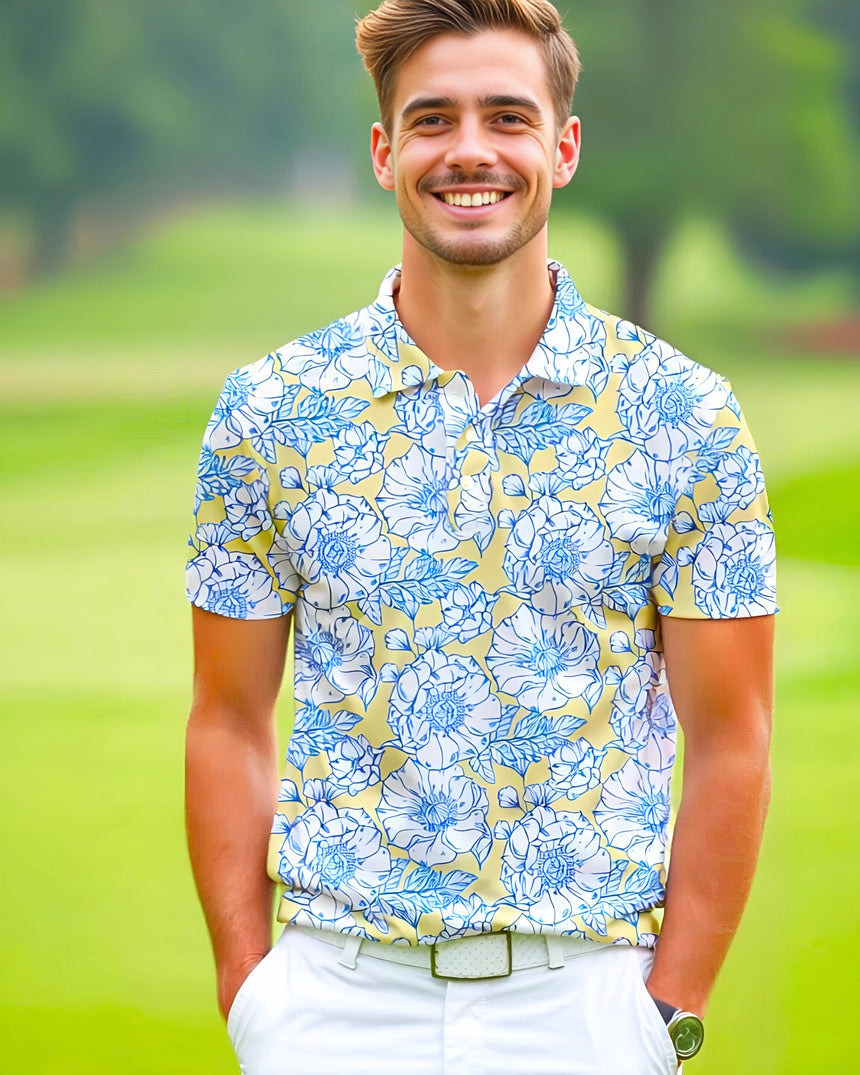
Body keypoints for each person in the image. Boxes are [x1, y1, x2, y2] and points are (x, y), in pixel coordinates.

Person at [184, 1, 776, 1072]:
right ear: (384, 152)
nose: (468, 151)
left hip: (584, 1005)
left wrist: (667, 1011)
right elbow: (227, 717)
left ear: (562, 145)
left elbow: (731, 736)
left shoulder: (686, 416)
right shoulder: (269, 411)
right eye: (431, 119)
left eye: (506, 116)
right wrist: (249, 990)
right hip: (332, 1002)